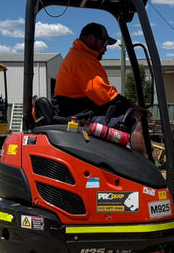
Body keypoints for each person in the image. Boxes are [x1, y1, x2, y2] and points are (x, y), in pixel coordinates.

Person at [54, 22, 149, 157]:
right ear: (92, 39)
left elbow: (103, 95)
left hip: (79, 113)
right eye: (104, 44)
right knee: (136, 124)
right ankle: (143, 171)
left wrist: (129, 105)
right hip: (80, 119)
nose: (105, 49)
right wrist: (131, 108)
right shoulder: (83, 60)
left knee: (124, 117)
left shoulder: (78, 56)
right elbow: (106, 97)